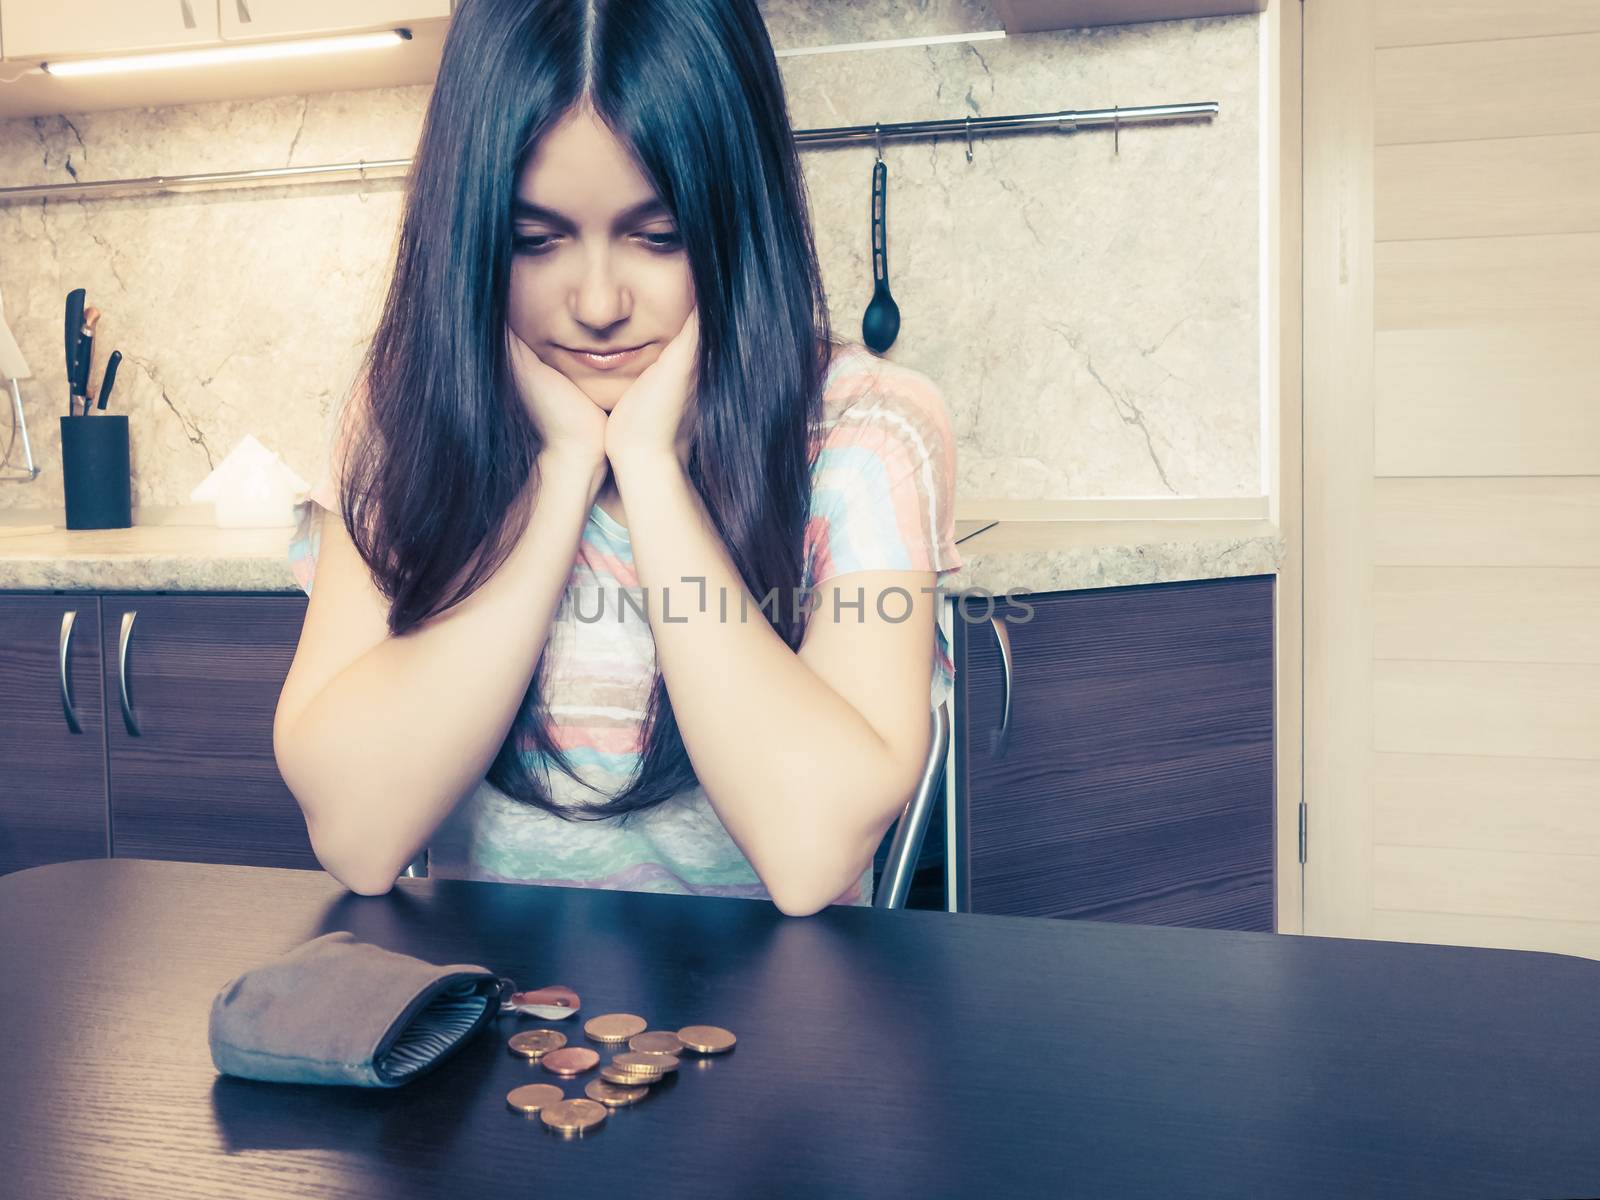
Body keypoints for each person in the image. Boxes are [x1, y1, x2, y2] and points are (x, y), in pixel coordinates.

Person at [272, 0, 962, 916]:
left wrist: (650, 466)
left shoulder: (869, 432)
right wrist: (561, 473)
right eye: (535, 240)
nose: (597, 302)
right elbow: (357, 836)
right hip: (494, 1033)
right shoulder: (404, 417)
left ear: (736, 221)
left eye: (659, 235)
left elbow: (811, 853)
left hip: (778, 1036)